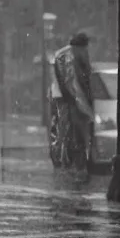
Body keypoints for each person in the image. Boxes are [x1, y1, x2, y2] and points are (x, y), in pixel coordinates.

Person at [51, 31, 94, 179]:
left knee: (66, 129)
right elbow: (71, 81)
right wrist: (79, 99)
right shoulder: (70, 56)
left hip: (62, 96)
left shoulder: (62, 54)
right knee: (73, 130)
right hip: (67, 98)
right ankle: (73, 163)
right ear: (81, 46)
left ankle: (67, 160)